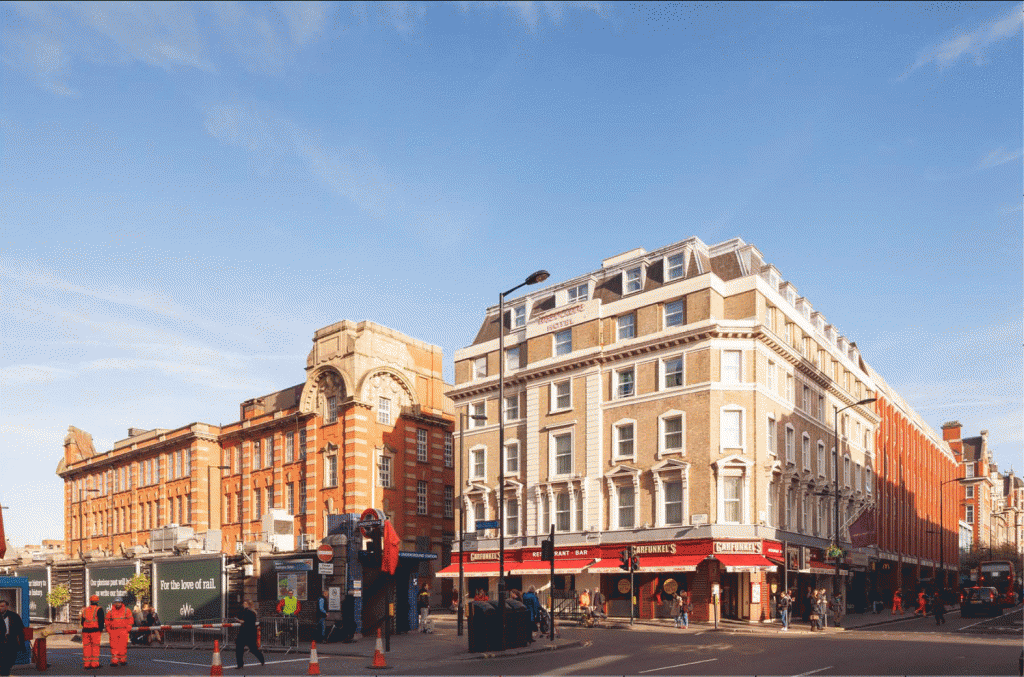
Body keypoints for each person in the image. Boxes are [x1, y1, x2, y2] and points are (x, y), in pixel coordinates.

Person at [234, 600, 265, 669]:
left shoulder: (251, 612)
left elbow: (248, 621)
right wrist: (240, 620)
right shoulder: (244, 611)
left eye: (245, 603)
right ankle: (240, 664)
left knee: (253, 649)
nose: (243, 604)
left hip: (249, 632)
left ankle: (261, 659)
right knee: (239, 648)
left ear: (248, 604)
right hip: (243, 632)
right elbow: (241, 617)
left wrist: (241, 621)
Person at [0, 599, 26, 677]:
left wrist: (22, 644)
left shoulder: (14, 616)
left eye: (2, 606)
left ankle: (6, 670)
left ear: (7, 606)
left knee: (11, 658)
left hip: (11, 640)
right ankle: (4, 673)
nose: (0, 608)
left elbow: (21, 630)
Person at [106, 596, 134, 666]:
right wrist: (109, 630)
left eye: (119, 602)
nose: (117, 604)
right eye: (116, 602)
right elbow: (107, 621)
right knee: (114, 646)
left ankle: (122, 660)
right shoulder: (111, 612)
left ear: (121, 603)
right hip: (114, 631)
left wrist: (128, 629)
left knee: (123, 646)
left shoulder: (126, 610)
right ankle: (115, 660)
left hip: (123, 630)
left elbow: (130, 620)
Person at [80, 594, 105, 670]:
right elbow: (101, 621)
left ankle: (87, 664)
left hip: (85, 631)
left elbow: (82, 622)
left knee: (86, 647)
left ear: (90, 601)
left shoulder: (85, 610)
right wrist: (101, 629)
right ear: (97, 601)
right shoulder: (99, 609)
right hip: (95, 631)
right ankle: (94, 664)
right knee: (95, 647)